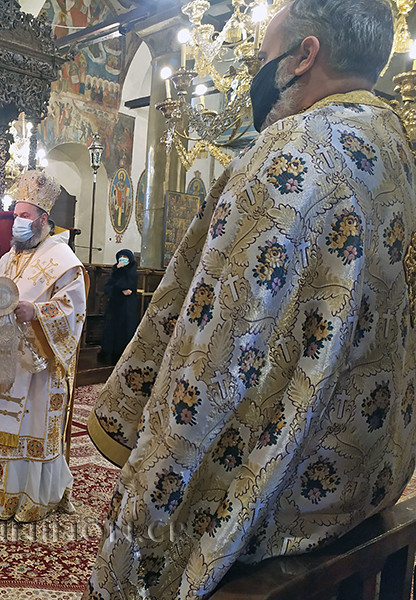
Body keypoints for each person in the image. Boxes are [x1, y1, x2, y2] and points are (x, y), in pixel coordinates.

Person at [86, 1, 416, 598]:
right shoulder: (399, 153)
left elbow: (216, 342)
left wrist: (151, 485)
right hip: (362, 487)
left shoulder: (292, 149)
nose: (257, 78)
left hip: (273, 505)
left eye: (264, 58)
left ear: (305, 56)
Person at [0, 170, 88, 522]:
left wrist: (36, 312)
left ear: (42, 220)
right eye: (15, 213)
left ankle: (28, 496)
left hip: (38, 365)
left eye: (24, 215)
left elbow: (74, 311)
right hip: (4, 358)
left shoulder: (64, 260)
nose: (16, 221)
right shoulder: (8, 259)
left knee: (28, 426)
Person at [99, 249, 138, 365]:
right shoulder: (115, 271)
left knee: (125, 330)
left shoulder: (132, 272)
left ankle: (123, 354)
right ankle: (109, 353)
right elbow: (108, 287)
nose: (122, 259)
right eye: (121, 256)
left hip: (127, 307)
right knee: (111, 330)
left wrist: (120, 276)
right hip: (115, 306)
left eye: (125, 257)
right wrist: (119, 288)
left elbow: (127, 286)